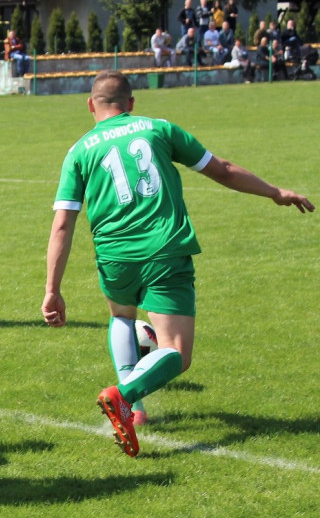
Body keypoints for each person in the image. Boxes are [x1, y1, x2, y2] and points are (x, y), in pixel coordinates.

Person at [42, 70, 313, 457]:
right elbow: (223, 169)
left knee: (121, 317)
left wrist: (53, 290)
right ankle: (124, 395)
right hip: (165, 251)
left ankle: (135, 412)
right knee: (177, 353)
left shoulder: (79, 150)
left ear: (91, 105)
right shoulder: (159, 129)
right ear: (131, 103)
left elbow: (62, 224)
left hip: (114, 257)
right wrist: (274, 192)